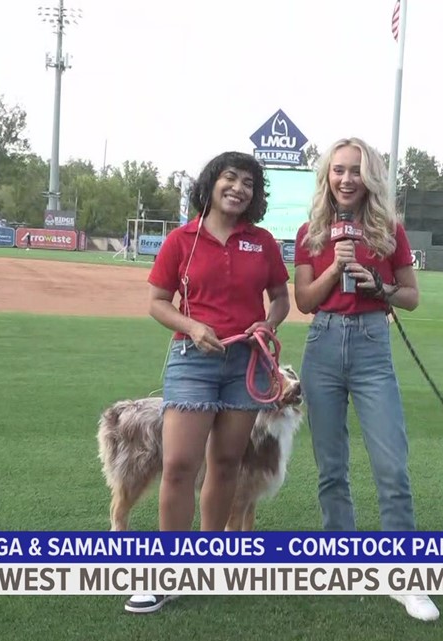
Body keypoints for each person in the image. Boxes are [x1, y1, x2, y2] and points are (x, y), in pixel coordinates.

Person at [126, 151, 291, 614]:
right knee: (179, 464)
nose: (239, 188)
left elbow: (281, 298)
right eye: (230, 179)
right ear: (212, 183)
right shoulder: (183, 239)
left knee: (225, 464)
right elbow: (158, 302)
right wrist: (194, 327)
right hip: (191, 360)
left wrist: (268, 324)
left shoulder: (262, 242)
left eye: (249, 184)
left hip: (246, 362)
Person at [292, 137, 439, 622]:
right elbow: (306, 301)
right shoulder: (309, 232)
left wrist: (383, 287)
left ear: (369, 176)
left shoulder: (389, 231)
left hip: (374, 343)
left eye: (356, 170)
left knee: (392, 467)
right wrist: (338, 264)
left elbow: (412, 297)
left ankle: (403, 575)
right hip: (324, 343)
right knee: (331, 467)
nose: (347, 178)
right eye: (338, 170)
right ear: (327, 176)